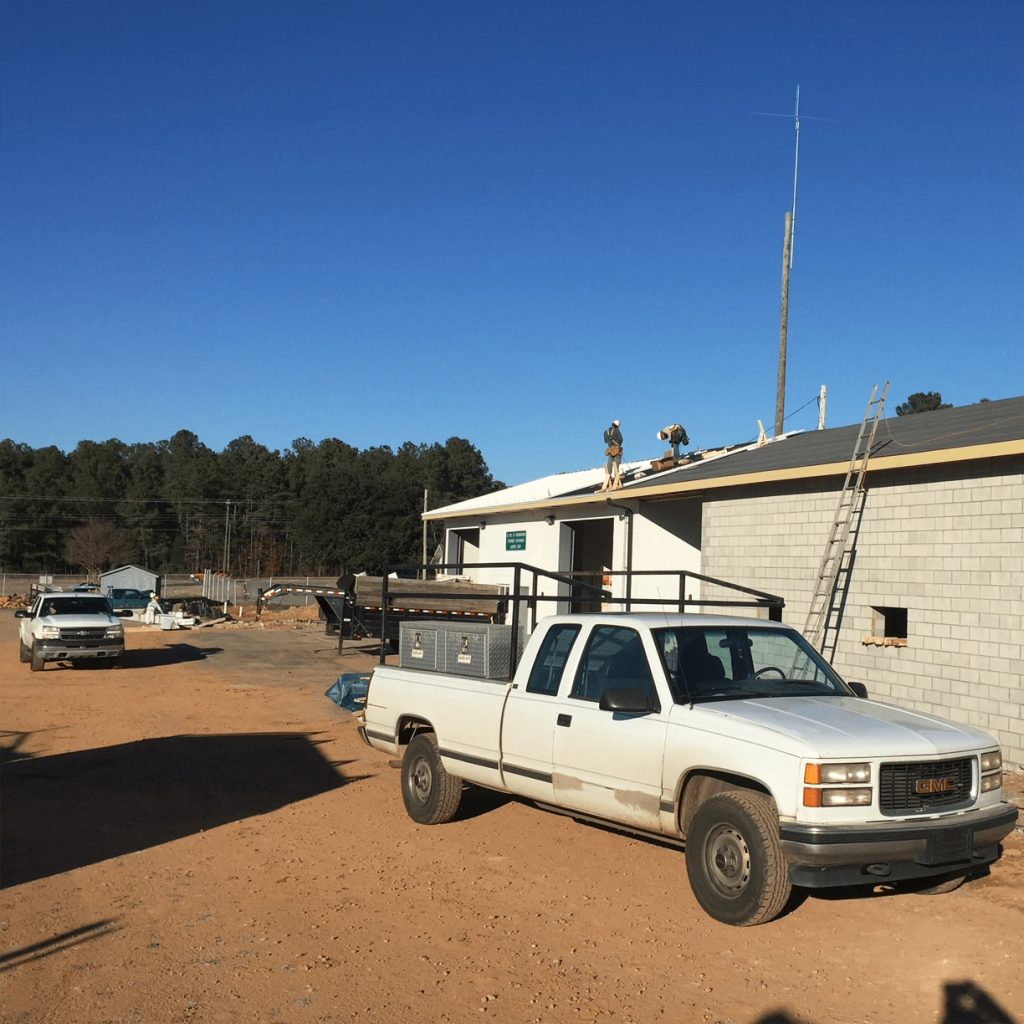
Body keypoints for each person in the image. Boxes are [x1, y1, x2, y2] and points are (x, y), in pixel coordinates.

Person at [602, 419, 623, 490]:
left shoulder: (606, 432)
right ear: (617, 425)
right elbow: (621, 439)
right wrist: (618, 444)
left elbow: (605, 441)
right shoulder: (616, 430)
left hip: (610, 449)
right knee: (617, 462)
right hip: (616, 449)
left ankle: (609, 476)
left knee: (610, 462)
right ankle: (616, 477)